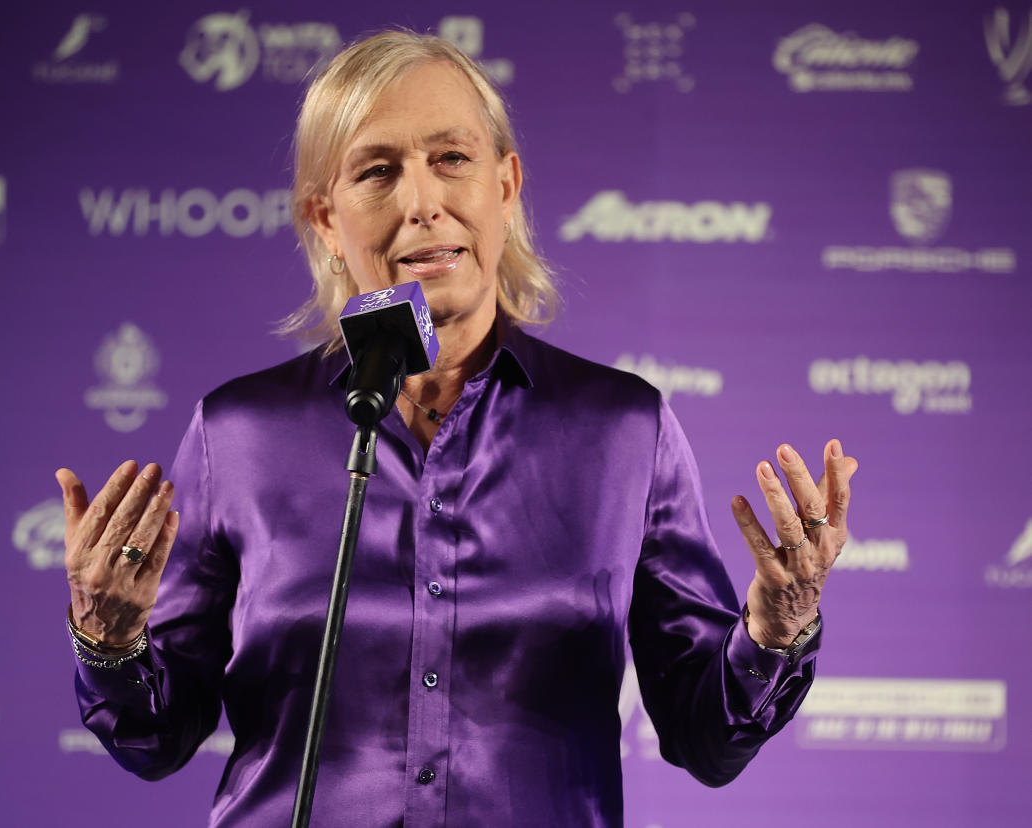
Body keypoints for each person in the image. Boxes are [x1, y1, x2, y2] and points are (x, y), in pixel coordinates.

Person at [56, 30, 857, 827]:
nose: (421, 202)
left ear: (505, 189)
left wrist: (775, 633)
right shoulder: (238, 433)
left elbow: (705, 738)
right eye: (378, 171)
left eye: (452, 159)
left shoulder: (621, 430)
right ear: (325, 218)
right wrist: (111, 644)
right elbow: (155, 738)